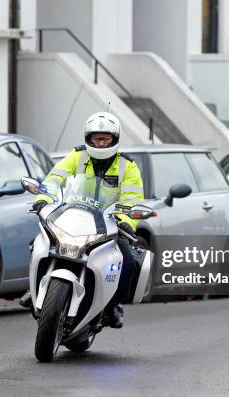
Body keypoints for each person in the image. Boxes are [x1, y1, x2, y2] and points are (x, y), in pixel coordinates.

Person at [20, 111, 145, 328]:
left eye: (106, 138)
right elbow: (54, 178)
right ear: (88, 138)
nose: (101, 142)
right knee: (38, 243)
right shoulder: (77, 156)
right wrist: (42, 199)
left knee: (127, 262)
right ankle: (36, 289)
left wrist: (126, 220)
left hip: (108, 223)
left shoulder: (127, 166)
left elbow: (132, 198)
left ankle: (113, 304)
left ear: (115, 139)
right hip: (73, 215)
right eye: (97, 138)